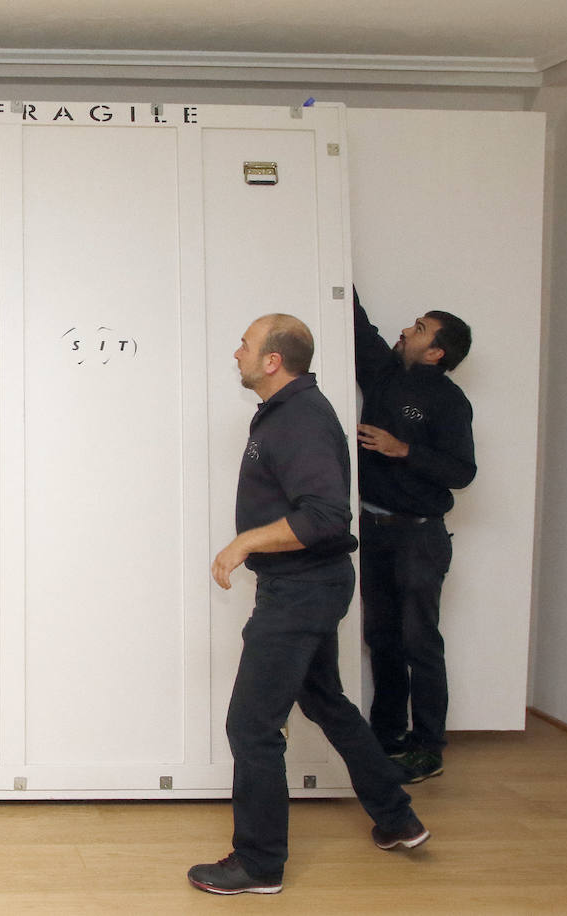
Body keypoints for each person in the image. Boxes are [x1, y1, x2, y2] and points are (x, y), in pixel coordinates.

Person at [189, 314, 428, 896]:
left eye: (245, 343)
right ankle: (397, 819)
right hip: (306, 587)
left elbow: (325, 517)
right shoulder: (286, 413)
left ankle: (260, 864)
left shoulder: (299, 419)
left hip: (300, 591)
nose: (236, 350)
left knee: (251, 726)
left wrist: (244, 541)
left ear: (273, 360)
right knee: (326, 702)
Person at [352, 287, 475, 784]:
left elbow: (462, 472)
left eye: (420, 329)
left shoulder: (449, 401)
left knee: (419, 641)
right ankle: (386, 738)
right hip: (374, 531)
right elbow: (360, 326)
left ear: (437, 351)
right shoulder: (383, 373)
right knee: (381, 638)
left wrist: (402, 449)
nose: (406, 330)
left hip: (419, 537)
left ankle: (429, 748)